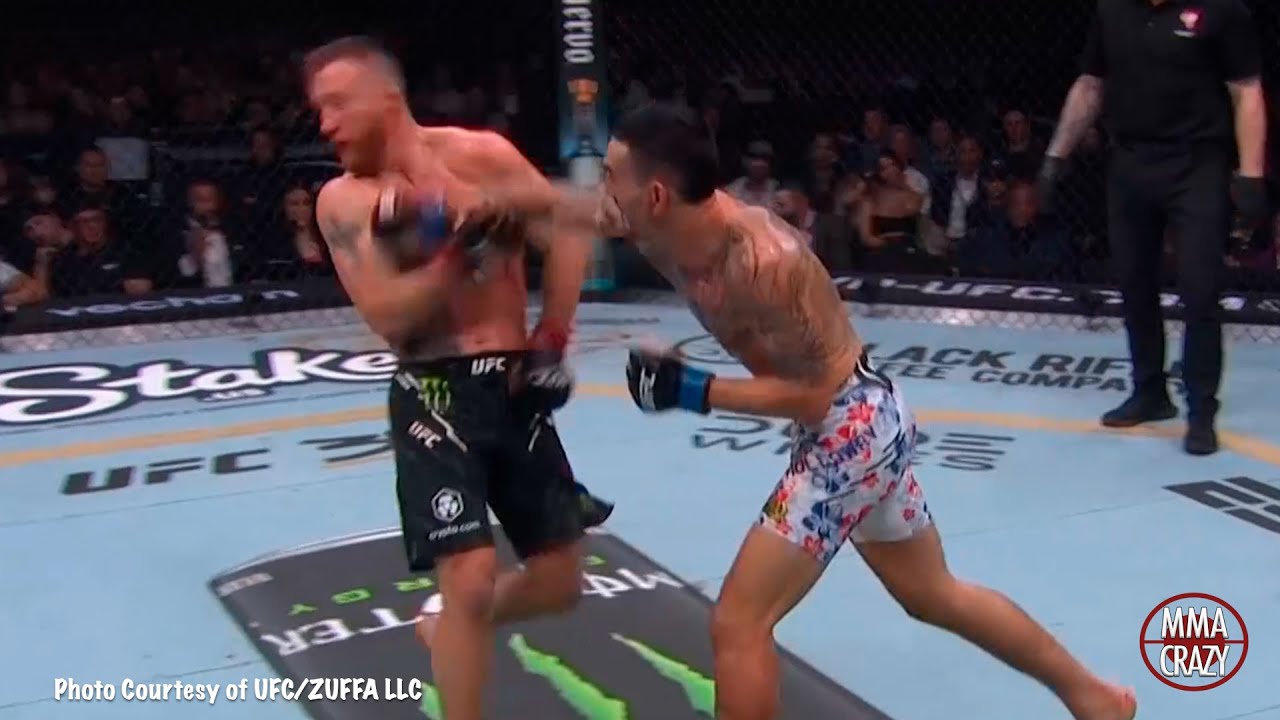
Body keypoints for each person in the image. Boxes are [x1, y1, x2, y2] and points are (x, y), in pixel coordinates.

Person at [601, 102, 1137, 720]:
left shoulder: (765, 259)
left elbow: (811, 396)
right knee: (931, 594)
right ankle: (1095, 698)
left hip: (850, 428)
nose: (604, 190)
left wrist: (690, 390)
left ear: (658, 195)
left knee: (739, 622)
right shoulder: (650, 224)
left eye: (612, 175)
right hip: (854, 426)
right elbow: (557, 208)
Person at [302, 36, 613, 720]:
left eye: (337, 104)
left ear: (387, 97)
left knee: (561, 582)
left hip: (513, 385)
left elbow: (572, 225)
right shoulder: (343, 201)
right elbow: (389, 317)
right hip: (431, 393)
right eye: (318, 109)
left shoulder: (484, 156)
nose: (324, 124)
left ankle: (445, 628)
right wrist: (455, 252)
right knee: (469, 580)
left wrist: (552, 336)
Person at [1038, 0, 1268, 455]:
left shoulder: (1222, 9)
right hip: (1130, 161)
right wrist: (1055, 156)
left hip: (1197, 163)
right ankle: (1149, 391)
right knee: (1133, 283)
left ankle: (1201, 410)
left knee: (1200, 289)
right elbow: (1090, 84)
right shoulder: (1112, 9)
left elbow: (1246, 90)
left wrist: (1251, 174)